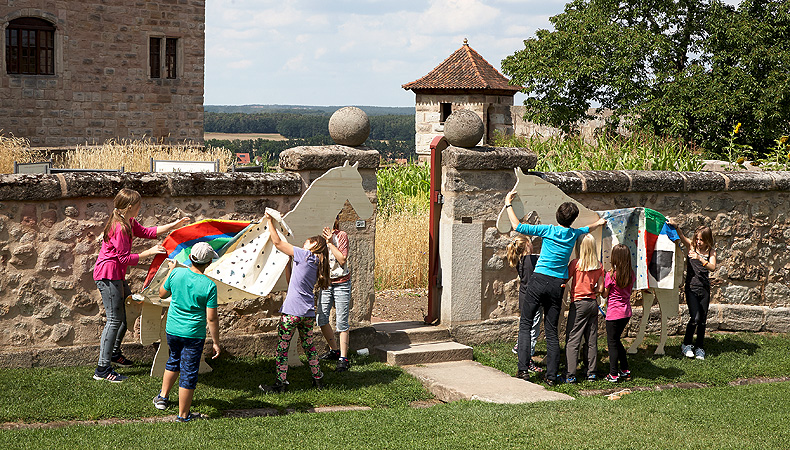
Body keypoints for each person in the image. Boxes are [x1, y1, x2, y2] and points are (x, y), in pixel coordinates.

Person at [505, 192, 606, 385]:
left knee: (526, 324)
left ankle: (523, 371)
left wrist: (508, 205)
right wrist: (599, 223)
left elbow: (517, 226)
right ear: (572, 220)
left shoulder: (548, 230)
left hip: (538, 280)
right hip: (556, 285)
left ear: (557, 216)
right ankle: (551, 376)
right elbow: (587, 228)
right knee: (551, 330)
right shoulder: (574, 233)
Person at [92, 188, 190, 382]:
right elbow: (123, 258)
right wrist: (150, 252)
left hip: (115, 275)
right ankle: (102, 369)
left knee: (126, 313)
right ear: (130, 207)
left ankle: (113, 353)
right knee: (114, 320)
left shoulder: (128, 221)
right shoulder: (119, 228)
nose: (140, 208)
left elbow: (147, 232)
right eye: (138, 205)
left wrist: (174, 225)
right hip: (108, 275)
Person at [259, 211, 329, 392]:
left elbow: (278, 243)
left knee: (283, 348)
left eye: (307, 241)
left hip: (291, 312)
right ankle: (318, 380)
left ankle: (280, 383)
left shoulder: (304, 254)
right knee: (310, 347)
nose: (304, 243)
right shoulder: (316, 262)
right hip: (307, 313)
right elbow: (292, 283)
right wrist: (289, 264)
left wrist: (269, 221)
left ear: (314, 245)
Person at [153, 242, 221, 422]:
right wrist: (215, 342)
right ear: (208, 263)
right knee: (189, 372)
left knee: (173, 360)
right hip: (193, 335)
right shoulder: (210, 286)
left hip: (173, 330)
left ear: (190, 257)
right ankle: (183, 415)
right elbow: (212, 318)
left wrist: (170, 271)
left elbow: (162, 294)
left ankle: (162, 397)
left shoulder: (176, 273)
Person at [668, 219, 717, 360]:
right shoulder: (691, 246)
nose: (699, 242)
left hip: (704, 289)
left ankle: (700, 347)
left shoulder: (711, 252)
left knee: (702, 319)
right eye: (697, 239)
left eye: (702, 240)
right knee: (695, 318)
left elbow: (712, 267)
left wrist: (699, 258)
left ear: (708, 240)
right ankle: (686, 344)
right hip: (691, 288)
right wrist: (676, 225)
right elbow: (681, 236)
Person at [565, 234, 604, 383]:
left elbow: (565, 279)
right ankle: (591, 372)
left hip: (578, 303)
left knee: (573, 339)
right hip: (592, 303)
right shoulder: (599, 265)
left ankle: (570, 374)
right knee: (591, 339)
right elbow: (600, 288)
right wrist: (592, 292)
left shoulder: (576, 263)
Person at [317, 216, 352, 372]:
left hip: (341, 283)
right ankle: (334, 350)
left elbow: (342, 260)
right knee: (322, 318)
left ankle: (343, 358)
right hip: (326, 283)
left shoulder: (341, 235)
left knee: (342, 321)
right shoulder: (317, 238)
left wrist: (330, 243)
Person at [507, 235, 544, 379]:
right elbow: (531, 282)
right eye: (531, 243)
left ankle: (521, 348)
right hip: (532, 299)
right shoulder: (529, 261)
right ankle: (528, 359)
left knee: (528, 328)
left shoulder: (522, 260)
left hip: (525, 298)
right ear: (527, 246)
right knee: (532, 330)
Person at [602, 244, 635, 383]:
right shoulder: (631, 274)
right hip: (626, 313)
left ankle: (613, 374)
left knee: (612, 342)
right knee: (616, 340)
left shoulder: (611, 275)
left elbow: (604, 294)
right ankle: (625, 369)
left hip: (614, 314)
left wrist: (602, 281)